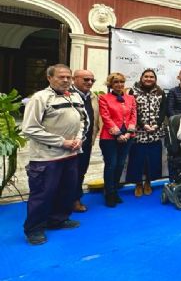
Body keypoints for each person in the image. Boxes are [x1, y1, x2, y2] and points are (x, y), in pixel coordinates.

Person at [22, 64, 86, 245]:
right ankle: (34, 229)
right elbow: (30, 129)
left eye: (68, 77)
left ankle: (57, 220)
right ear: (49, 78)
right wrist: (62, 142)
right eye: (61, 77)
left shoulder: (74, 96)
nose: (66, 80)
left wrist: (79, 138)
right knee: (42, 194)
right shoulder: (40, 98)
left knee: (66, 191)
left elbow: (81, 120)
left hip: (71, 155)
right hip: (47, 157)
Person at [98, 72, 137, 208]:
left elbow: (133, 115)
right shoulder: (104, 98)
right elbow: (105, 117)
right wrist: (118, 134)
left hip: (128, 137)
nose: (119, 85)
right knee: (111, 165)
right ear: (111, 84)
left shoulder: (131, 98)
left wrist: (128, 133)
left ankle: (114, 191)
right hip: (109, 138)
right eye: (116, 82)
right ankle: (109, 194)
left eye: (121, 82)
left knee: (120, 165)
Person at [126, 69, 167, 198]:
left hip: (155, 131)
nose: (149, 79)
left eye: (151, 77)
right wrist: (143, 124)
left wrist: (157, 124)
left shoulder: (160, 92)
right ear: (141, 78)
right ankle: (138, 183)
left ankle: (148, 182)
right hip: (139, 132)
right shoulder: (133, 91)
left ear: (155, 79)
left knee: (153, 159)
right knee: (137, 159)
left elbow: (163, 110)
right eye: (146, 76)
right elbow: (132, 110)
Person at [71, 69, 101, 213]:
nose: (89, 82)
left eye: (92, 80)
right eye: (85, 79)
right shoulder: (67, 95)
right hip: (68, 144)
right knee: (67, 173)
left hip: (87, 142)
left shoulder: (93, 97)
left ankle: (75, 199)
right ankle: (61, 202)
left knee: (81, 171)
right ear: (74, 79)